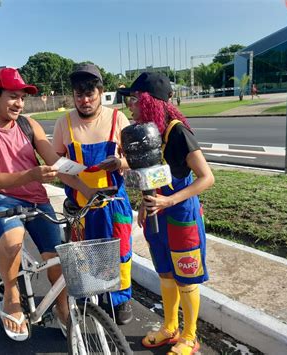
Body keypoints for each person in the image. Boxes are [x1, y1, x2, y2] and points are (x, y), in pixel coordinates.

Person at [0, 67, 91, 341]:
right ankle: (11, 296)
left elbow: (56, 162)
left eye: (22, 97)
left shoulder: (28, 124)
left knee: (57, 254)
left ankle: (61, 306)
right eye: (12, 96)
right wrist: (32, 174)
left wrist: (86, 188)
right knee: (12, 239)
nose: (19, 103)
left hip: (35, 196)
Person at [118, 72, 214, 355]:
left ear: (150, 101)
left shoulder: (177, 132)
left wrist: (169, 201)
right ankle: (170, 326)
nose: (130, 106)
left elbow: (206, 178)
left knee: (186, 276)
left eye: (134, 100)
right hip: (155, 214)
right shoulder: (148, 132)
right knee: (165, 273)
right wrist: (143, 204)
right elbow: (150, 174)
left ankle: (190, 335)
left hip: (181, 215)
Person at [52, 63, 134, 325]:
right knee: (86, 253)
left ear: (101, 92)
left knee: (120, 252)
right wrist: (82, 189)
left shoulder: (117, 119)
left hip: (114, 202)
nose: (85, 101)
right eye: (79, 95)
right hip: (80, 204)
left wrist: (120, 164)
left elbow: (134, 159)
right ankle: (91, 298)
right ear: (73, 96)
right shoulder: (63, 123)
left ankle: (120, 299)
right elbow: (58, 165)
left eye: (90, 95)